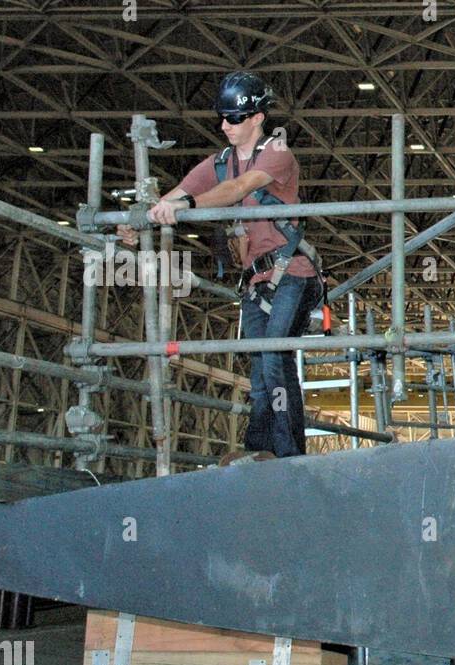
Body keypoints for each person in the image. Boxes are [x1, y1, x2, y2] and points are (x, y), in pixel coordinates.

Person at [118, 70, 322, 457]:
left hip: (292, 273)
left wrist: (185, 206)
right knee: (260, 370)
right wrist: (135, 223)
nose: (225, 124)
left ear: (258, 118)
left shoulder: (276, 154)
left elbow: (235, 190)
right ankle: (260, 450)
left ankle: (289, 455)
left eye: (234, 118)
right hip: (256, 279)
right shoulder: (218, 162)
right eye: (223, 117)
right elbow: (172, 195)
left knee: (275, 357)